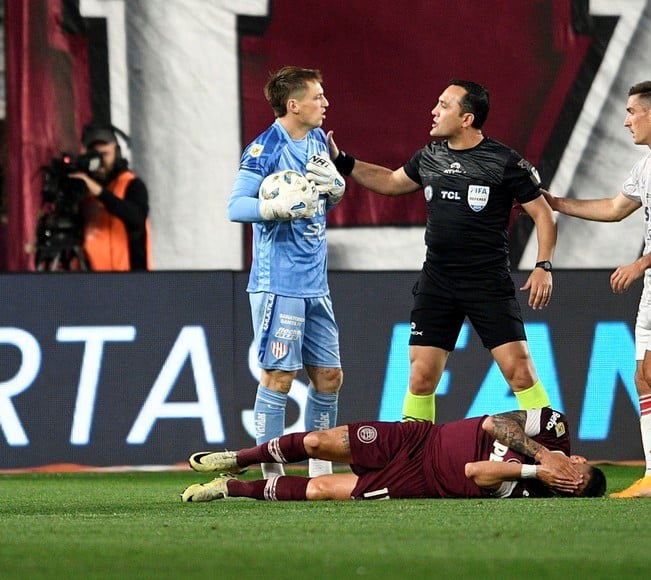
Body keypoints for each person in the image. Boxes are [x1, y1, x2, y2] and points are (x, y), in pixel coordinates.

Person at [326, 79, 556, 423]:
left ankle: (554, 449)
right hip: (438, 282)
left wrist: (543, 265)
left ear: (467, 118)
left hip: (486, 282)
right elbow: (390, 182)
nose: (434, 111)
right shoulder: (429, 157)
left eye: (444, 105)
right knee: (420, 378)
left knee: (519, 372)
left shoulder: (503, 161)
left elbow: (544, 214)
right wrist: (342, 161)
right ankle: (413, 459)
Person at [544, 81, 651, 499]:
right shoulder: (649, 165)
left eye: (631, 112)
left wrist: (640, 262)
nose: (626, 121)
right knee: (643, 380)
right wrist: (556, 203)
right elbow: (615, 208)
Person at [227, 66, 348, 479]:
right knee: (279, 376)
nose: (325, 103)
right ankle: (271, 474)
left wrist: (334, 193)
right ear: (293, 105)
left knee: (329, 376)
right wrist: (270, 209)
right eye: (318, 97)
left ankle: (319, 470)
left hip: (317, 283)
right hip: (279, 283)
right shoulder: (265, 148)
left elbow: (310, 207)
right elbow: (235, 206)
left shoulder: (316, 141)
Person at [181, 407, 606, 502]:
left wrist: (536, 472)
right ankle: (239, 456)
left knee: (321, 489)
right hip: (418, 440)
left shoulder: (537, 494)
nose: (568, 478)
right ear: (581, 461)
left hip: (419, 483)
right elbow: (494, 423)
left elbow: (475, 471)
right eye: (575, 474)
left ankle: (232, 488)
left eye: (572, 488)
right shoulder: (556, 428)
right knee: (316, 443)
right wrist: (546, 456)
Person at [69, 123, 151, 270]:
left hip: (130, 281)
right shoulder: (85, 190)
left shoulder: (131, 184)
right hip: (93, 283)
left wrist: (100, 193)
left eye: (105, 154)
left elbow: (136, 216)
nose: (100, 162)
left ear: (117, 153)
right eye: (95, 156)